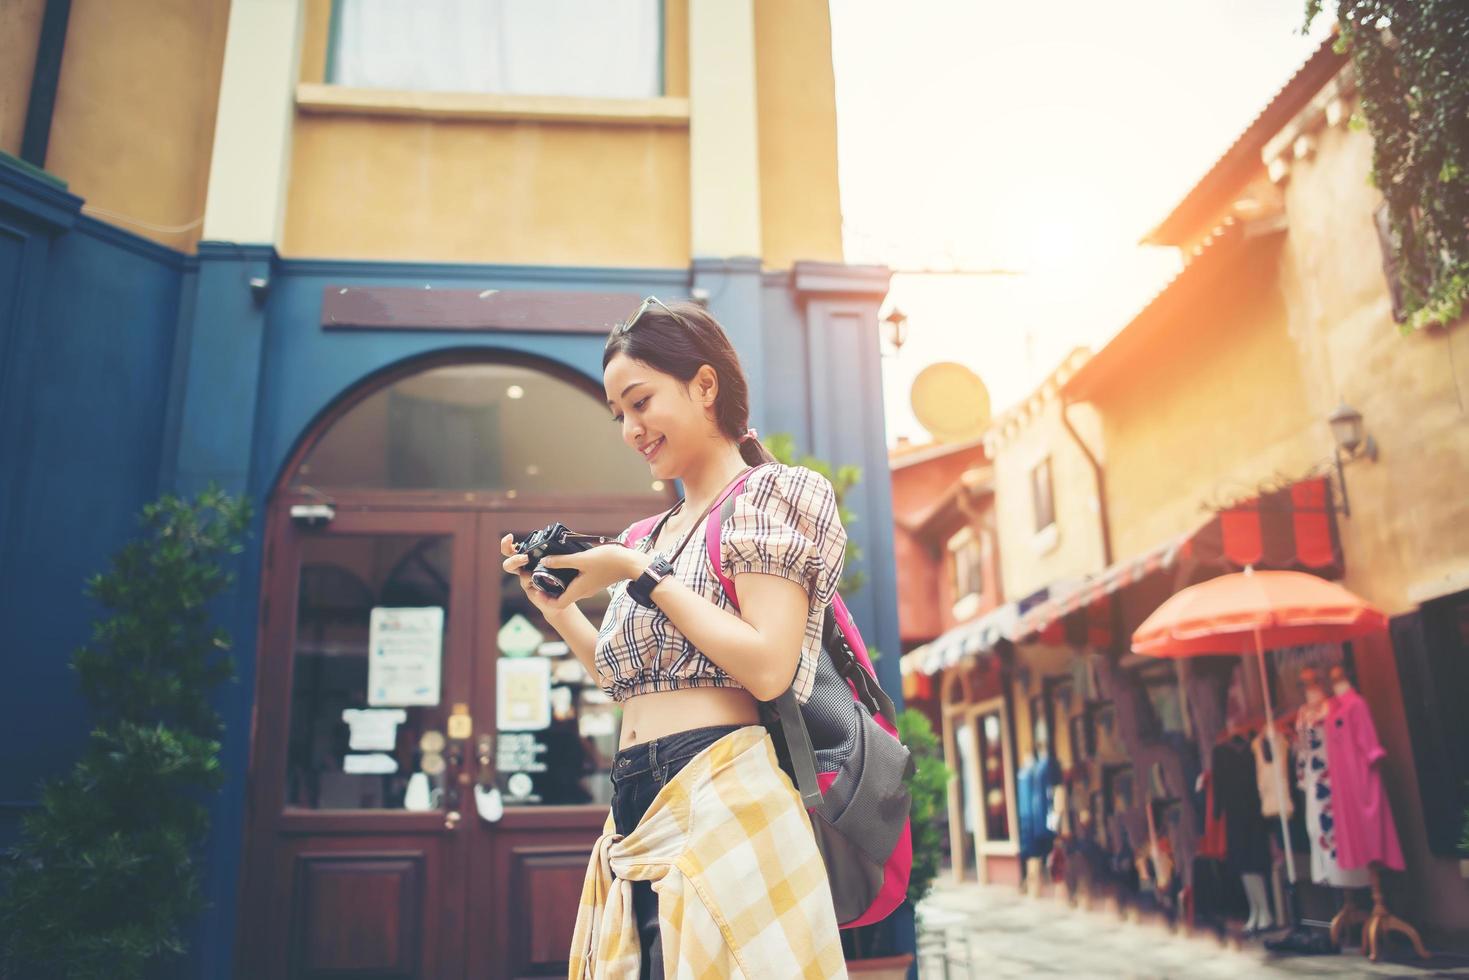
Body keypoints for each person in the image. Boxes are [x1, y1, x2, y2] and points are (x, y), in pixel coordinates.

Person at [500, 297, 849, 979]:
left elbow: (768, 668)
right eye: (618, 416)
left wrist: (636, 573)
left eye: (640, 402)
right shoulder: (646, 535)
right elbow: (624, 681)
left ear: (705, 384)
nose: (630, 429)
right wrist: (557, 611)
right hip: (633, 800)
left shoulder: (768, 496)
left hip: (720, 784)